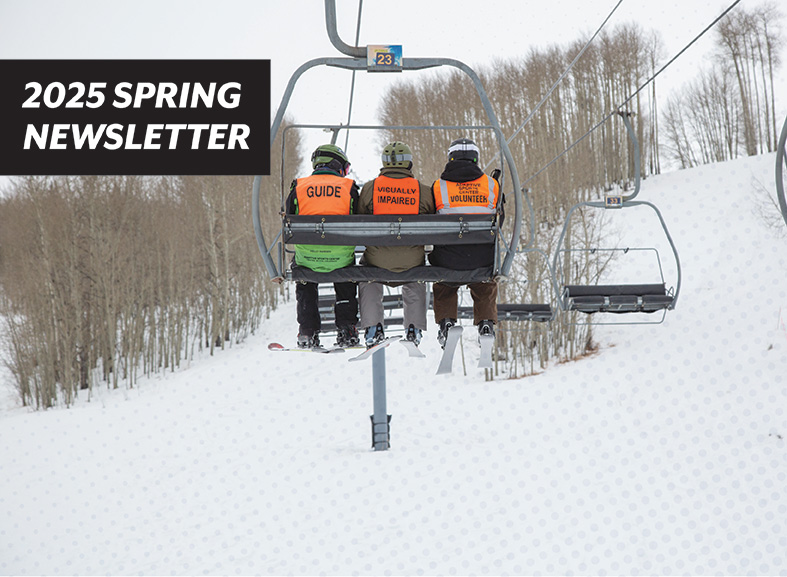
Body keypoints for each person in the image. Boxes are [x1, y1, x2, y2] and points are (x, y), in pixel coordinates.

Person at [358, 141, 435, 348]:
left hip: (377, 261)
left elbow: (359, 220)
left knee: (368, 276)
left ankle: (373, 327)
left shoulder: (370, 189)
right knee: (416, 274)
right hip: (411, 261)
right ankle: (414, 328)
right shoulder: (422, 191)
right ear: (409, 163)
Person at [285, 143, 360, 349]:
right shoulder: (349, 187)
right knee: (346, 275)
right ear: (336, 164)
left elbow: (289, 217)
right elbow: (359, 218)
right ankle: (347, 329)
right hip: (340, 258)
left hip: (308, 258)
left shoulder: (299, 186)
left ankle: (307, 331)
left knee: (305, 279)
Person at [429, 137, 502, 347]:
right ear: (476, 158)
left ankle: (446, 323)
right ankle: (486, 324)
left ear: (450, 158)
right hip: (482, 258)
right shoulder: (492, 185)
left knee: (444, 284)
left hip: (448, 259)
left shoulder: (439, 187)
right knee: (485, 284)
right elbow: (500, 219)